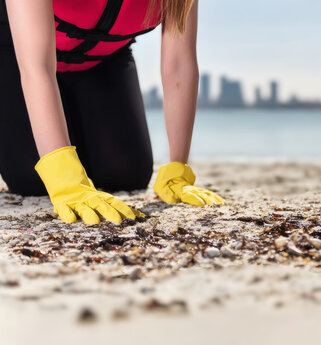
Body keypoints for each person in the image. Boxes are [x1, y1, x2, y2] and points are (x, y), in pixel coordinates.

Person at [0, 0, 224, 225]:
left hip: (102, 61)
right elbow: (36, 68)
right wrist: (64, 175)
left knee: (126, 174)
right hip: (15, 54)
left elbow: (178, 64)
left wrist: (178, 166)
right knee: (33, 180)